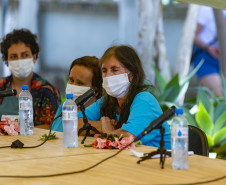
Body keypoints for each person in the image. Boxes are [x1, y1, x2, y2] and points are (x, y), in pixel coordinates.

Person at [77, 45, 171, 149]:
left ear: (132, 76)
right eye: (104, 70)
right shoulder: (107, 100)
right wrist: (101, 126)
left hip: (157, 162)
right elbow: (74, 123)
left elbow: (128, 138)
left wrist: (109, 132)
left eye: (114, 70)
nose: (108, 76)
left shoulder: (144, 100)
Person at [0, 28, 61, 129]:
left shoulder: (47, 91)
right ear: (7, 61)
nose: (20, 60)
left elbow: (49, 129)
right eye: (14, 56)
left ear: (34, 57)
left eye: (25, 55)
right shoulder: (1, 86)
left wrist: (17, 130)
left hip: (33, 144)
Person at [52, 56, 103, 132]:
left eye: (80, 83)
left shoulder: (100, 115)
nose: (73, 85)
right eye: (71, 80)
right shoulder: (65, 106)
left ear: (96, 91)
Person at [192, 6, 226, 96]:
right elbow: (192, 34)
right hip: (206, 59)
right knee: (219, 97)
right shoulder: (206, 8)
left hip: (222, 59)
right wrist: (208, 47)